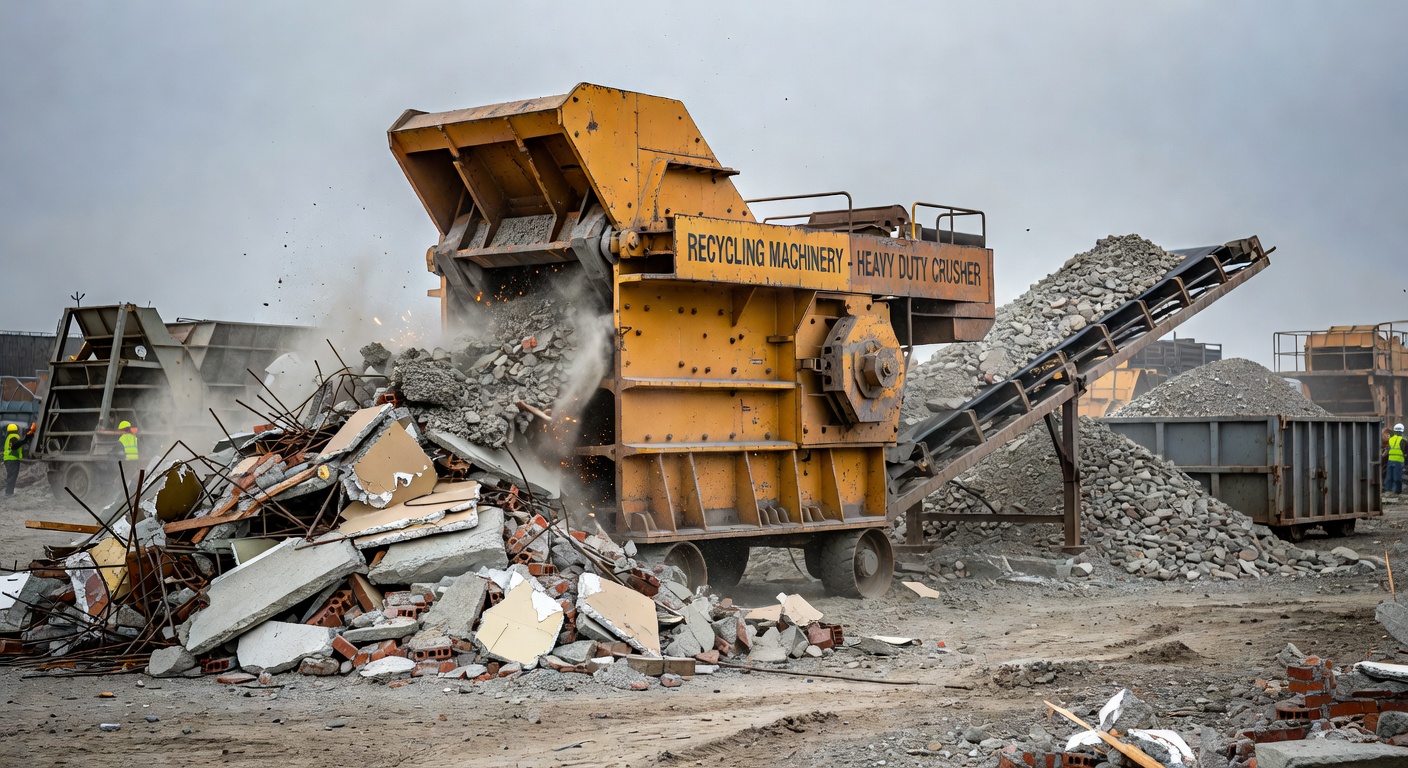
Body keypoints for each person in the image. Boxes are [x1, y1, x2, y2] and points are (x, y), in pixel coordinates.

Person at [3, 423, 31, 497]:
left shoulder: (9, 437)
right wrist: (25, 440)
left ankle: (9, 492)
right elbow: (15, 445)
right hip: (12, 460)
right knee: (12, 476)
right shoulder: (14, 436)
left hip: (9, 459)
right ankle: (9, 493)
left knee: (11, 476)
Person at [1387, 423, 1405, 495]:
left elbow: (1388, 449)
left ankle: (1389, 491)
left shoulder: (1390, 439)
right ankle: (1396, 492)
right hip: (1398, 461)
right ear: (1402, 431)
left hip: (1391, 460)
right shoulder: (1403, 440)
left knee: (1389, 477)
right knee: (1396, 477)